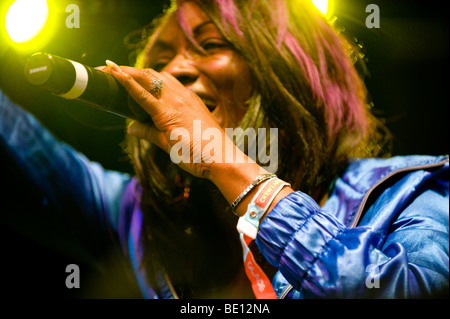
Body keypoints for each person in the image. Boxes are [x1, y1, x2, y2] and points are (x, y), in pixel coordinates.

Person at [0, 0, 448, 299]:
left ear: (291, 69)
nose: (175, 70)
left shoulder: (409, 190)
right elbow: (19, 148)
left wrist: (223, 159)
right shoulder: (137, 217)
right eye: (160, 62)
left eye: (211, 45)